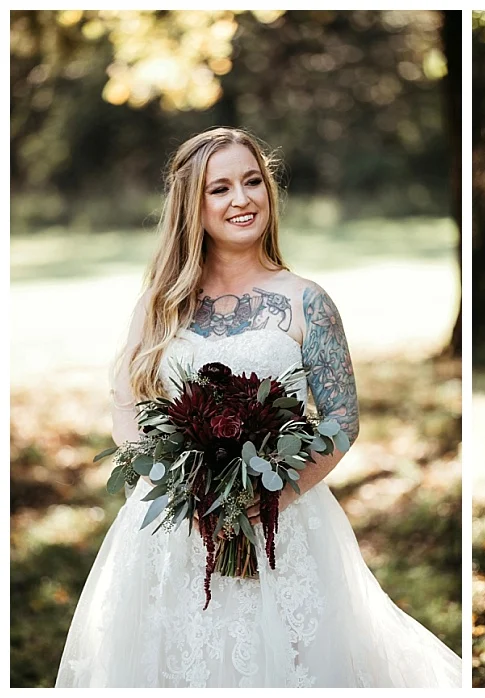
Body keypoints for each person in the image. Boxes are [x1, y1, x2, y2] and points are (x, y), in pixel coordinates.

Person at [56, 127, 462, 687]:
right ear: (192, 205)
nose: (242, 199)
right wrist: (179, 489)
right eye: (220, 188)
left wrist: (273, 497)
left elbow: (342, 421)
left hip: (281, 524)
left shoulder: (307, 301)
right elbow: (127, 404)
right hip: (175, 532)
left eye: (252, 182)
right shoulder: (161, 304)